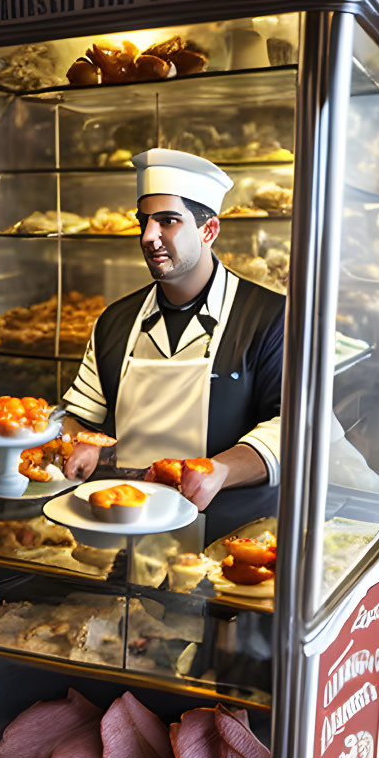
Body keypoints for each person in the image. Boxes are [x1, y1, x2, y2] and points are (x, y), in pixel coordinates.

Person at [60, 148, 284, 541]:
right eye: (143, 222)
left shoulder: (269, 317)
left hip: (230, 539)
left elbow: (293, 427)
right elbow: (82, 416)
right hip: (125, 530)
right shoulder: (115, 320)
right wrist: (78, 443)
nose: (149, 237)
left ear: (209, 231)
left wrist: (221, 471)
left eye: (168, 221)